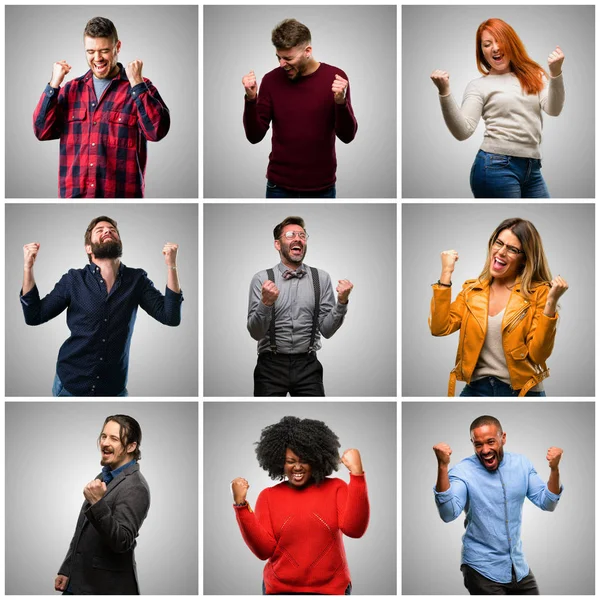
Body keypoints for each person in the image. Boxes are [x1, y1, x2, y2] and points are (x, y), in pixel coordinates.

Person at [20, 215, 183, 396]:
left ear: (119, 242)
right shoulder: (73, 280)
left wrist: (171, 266)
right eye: (100, 230)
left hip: (113, 388)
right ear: (88, 248)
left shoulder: (137, 280)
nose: (108, 231)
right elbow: (34, 315)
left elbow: (170, 317)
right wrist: (28, 268)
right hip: (70, 385)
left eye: (113, 230)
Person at [429, 218, 568, 397]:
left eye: (512, 249)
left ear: (525, 259)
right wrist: (446, 273)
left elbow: (538, 356)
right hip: (476, 388)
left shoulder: (539, 293)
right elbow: (439, 328)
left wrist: (551, 303)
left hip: (522, 391)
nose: (501, 252)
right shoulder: (472, 290)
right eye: (499, 243)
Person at [33, 16, 170, 198]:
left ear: (117, 47)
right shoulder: (71, 90)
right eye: (90, 51)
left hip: (121, 197)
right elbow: (42, 131)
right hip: (74, 198)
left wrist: (137, 83)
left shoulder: (139, 87)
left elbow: (157, 131)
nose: (97, 58)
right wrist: (53, 84)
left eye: (104, 51)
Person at [231, 416, 369, 595]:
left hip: (331, 590)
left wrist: (357, 475)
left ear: (316, 459)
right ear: (280, 462)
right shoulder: (268, 496)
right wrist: (241, 505)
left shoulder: (336, 488)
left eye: (304, 460)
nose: (297, 467)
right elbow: (263, 551)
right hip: (280, 591)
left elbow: (355, 530)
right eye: (290, 461)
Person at [430, 18, 565, 198]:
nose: (494, 48)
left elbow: (554, 109)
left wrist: (556, 73)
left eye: (499, 40)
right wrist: (444, 91)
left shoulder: (535, 75)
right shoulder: (478, 86)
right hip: (495, 167)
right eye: (487, 44)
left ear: (511, 43)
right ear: (482, 52)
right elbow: (463, 131)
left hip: (533, 169)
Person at [433, 415, 563, 595]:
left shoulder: (522, 464)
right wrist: (442, 466)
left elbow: (547, 502)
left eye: (490, 442)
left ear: (503, 438)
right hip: (481, 568)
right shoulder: (463, 472)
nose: (485, 450)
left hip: (517, 567)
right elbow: (448, 513)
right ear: (472, 443)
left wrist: (554, 469)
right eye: (478, 444)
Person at [242, 18, 357, 198]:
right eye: (278, 57)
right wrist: (250, 99)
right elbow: (254, 136)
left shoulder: (335, 78)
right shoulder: (271, 81)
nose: (281, 64)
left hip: (323, 188)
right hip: (278, 187)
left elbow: (347, 136)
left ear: (307, 51)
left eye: (288, 58)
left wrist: (341, 103)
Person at [247, 216, 353, 396]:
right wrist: (265, 303)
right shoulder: (261, 279)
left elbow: (326, 330)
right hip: (270, 367)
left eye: (302, 235)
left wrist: (342, 302)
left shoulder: (321, 278)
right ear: (277, 244)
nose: (298, 239)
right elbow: (255, 333)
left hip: (308, 367)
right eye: (290, 235)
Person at [55, 414, 150, 595]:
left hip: (105, 588)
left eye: (114, 438)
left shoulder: (136, 487)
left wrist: (97, 503)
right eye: (104, 436)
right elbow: (83, 531)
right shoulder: (105, 475)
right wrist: (67, 569)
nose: (105, 442)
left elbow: (122, 542)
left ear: (131, 446)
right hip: (80, 582)